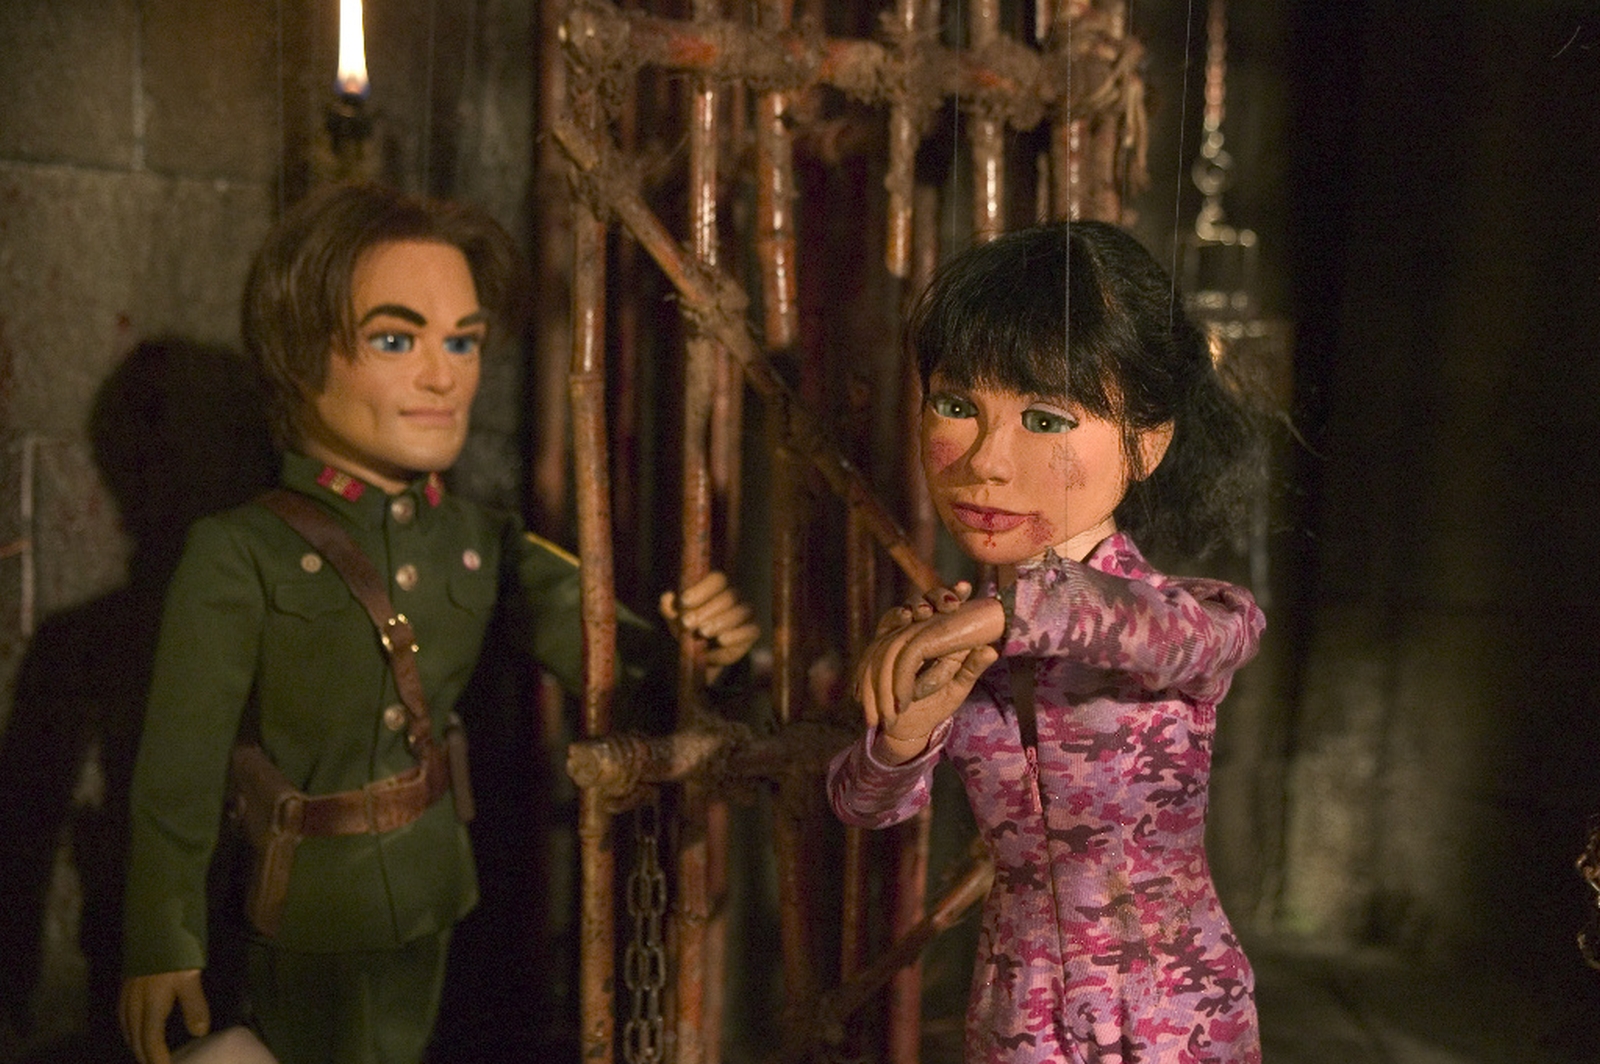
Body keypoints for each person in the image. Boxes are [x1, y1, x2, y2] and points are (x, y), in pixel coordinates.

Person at [119, 183, 758, 1064]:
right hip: (302, 911)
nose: (443, 375)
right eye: (396, 340)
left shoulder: (477, 541)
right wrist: (163, 942)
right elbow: (177, 777)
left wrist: (706, 652)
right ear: (300, 355)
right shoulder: (240, 552)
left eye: (463, 341)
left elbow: (614, 656)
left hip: (435, 891)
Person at [828, 221, 1266, 1063]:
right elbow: (864, 805)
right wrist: (905, 735)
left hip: (1176, 1012)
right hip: (1019, 1012)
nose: (987, 462)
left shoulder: (1174, 619)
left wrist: (1004, 613)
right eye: (957, 406)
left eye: (1044, 418)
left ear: (1146, 445)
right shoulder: (956, 643)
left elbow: (1205, 632)